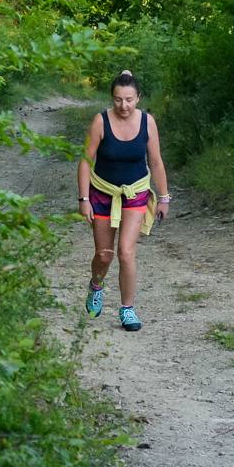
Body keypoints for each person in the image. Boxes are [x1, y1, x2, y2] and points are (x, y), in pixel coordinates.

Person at [77, 70, 170, 331]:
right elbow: (86, 161)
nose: (124, 105)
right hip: (103, 193)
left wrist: (163, 197)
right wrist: (84, 199)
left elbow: (156, 161)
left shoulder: (148, 122)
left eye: (129, 99)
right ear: (112, 98)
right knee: (104, 256)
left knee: (126, 252)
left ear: (138, 97)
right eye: (118, 99)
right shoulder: (100, 121)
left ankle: (127, 309)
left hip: (136, 193)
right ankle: (96, 285)